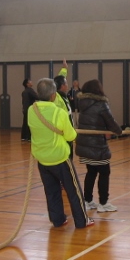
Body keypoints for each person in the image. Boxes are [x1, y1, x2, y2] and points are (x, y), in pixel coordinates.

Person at [28, 78, 94, 229]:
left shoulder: (32, 110)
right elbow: (70, 136)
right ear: (53, 95)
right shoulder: (60, 113)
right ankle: (82, 220)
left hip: (42, 159)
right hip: (60, 158)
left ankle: (57, 220)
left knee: (51, 191)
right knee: (73, 190)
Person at [75, 79, 123, 213]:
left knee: (91, 172)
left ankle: (88, 200)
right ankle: (103, 203)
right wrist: (119, 131)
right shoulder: (101, 104)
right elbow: (110, 122)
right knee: (104, 172)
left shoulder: (82, 103)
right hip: (97, 146)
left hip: (85, 145)